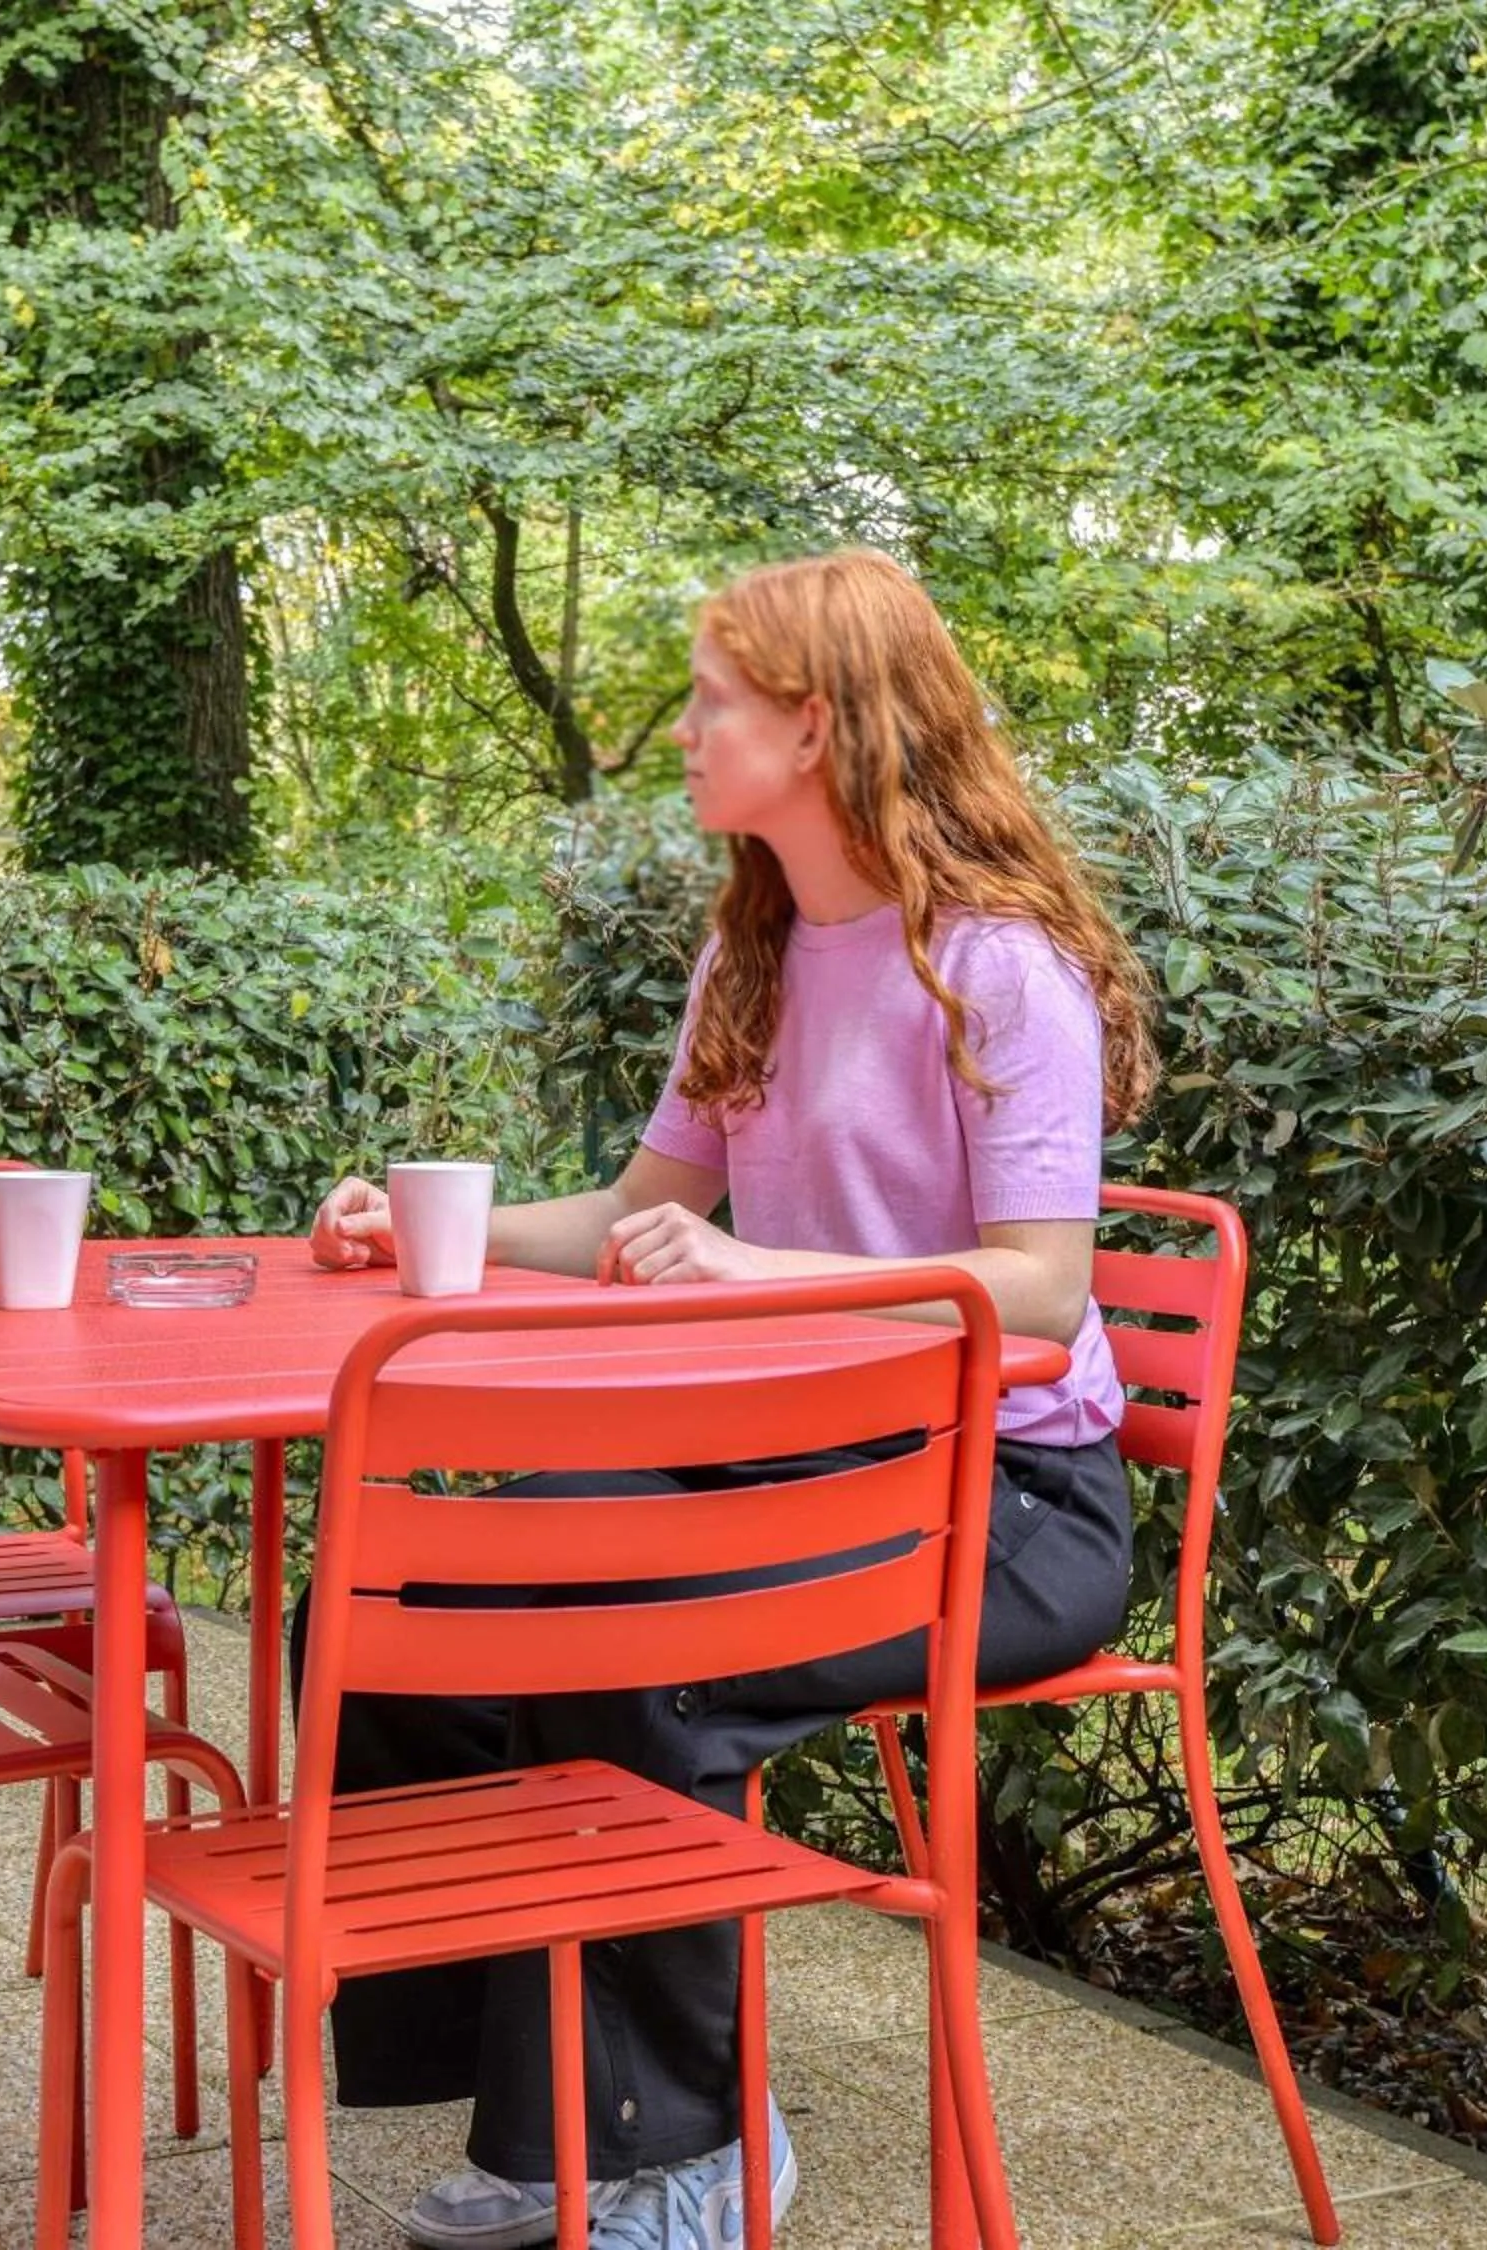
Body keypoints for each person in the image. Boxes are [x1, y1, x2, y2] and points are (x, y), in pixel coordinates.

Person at [302, 547, 1161, 2250]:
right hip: (792, 1466)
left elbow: (1046, 1290)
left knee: (635, 1658)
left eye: (713, 700)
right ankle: (546, 2125)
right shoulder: (758, 946)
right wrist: (432, 1230)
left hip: (1008, 1508)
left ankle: (693, 2152)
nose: (683, 731)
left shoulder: (997, 968)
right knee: (422, 1592)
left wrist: (750, 1270)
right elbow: (641, 1214)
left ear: (818, 725)